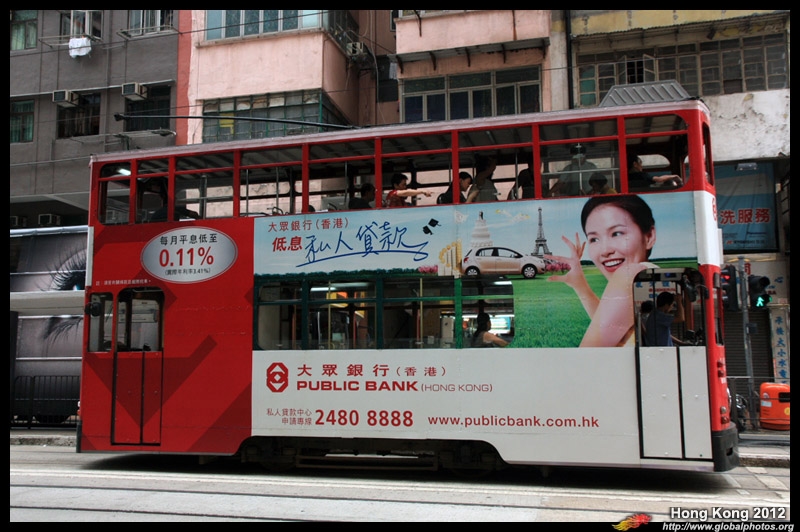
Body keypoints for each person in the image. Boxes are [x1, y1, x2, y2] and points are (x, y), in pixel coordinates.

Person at [546, 195, 658, 347]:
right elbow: (610, 328)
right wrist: (580, 286)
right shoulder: (649, 276)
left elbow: (589, 355)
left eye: (617, 233)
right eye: (594, 239)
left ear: (649, 237)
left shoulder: (630, 275)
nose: (605, 251)